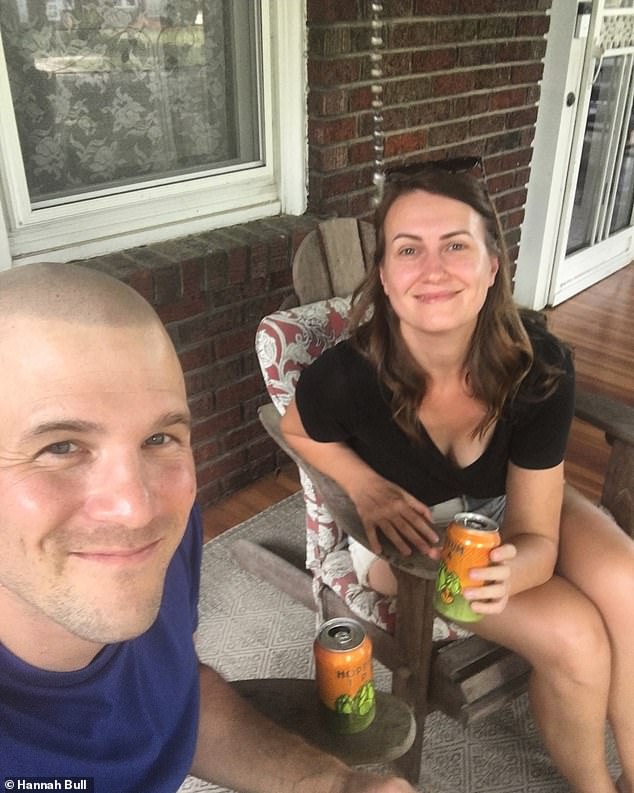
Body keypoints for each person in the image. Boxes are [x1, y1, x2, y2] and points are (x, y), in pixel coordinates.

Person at [280, 162, 634, 793]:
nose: (433, 268)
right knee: (577, 638)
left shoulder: (538, 365)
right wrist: (364, 485)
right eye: (409, 249)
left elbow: (534, 533)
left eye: (456, 246)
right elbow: (297, 430)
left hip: (506, 506)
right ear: (385, 276)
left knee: (626, 583)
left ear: (492, 266)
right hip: (410, 544)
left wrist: (520, 566)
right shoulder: (346, 376)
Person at [0, 262, 415, 793]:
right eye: (59, 447)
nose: (136, 508)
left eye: (159, 439)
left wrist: (332, 785)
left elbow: (177, 692)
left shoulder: (167, 535)